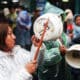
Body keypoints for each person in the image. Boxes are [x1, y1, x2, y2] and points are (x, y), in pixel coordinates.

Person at [0, 16, 46, 80]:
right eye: (10, 34)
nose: (14, 37)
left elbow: (35, 62)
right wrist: (26, 72)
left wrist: (37, 47)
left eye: (12, 33)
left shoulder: (18, 51)